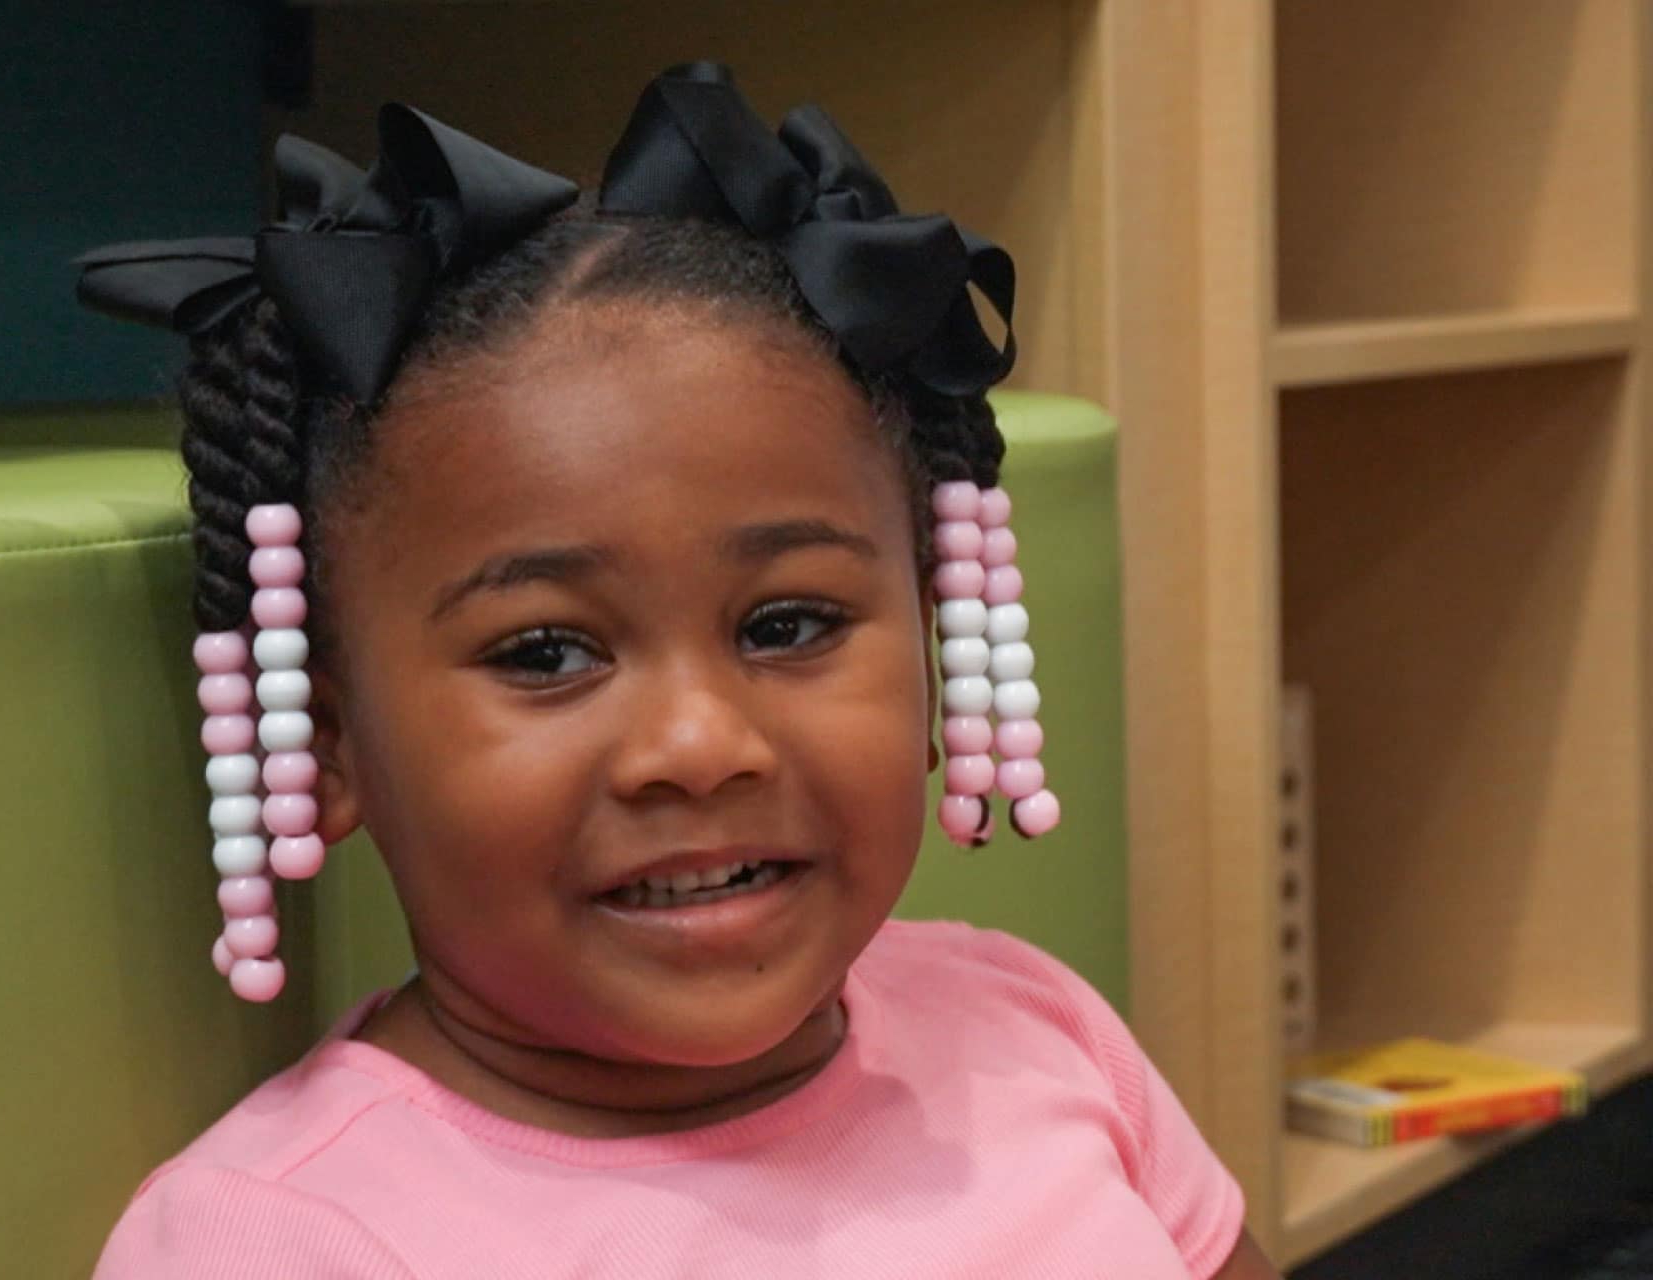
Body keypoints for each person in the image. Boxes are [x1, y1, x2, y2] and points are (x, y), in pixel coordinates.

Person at [80, 62, 1277, 1280]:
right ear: (327, 743)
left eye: (789, 624)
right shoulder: (279, 1242)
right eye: (546, 651)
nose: (702, 744)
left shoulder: (1036, 1028)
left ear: (930, 648)